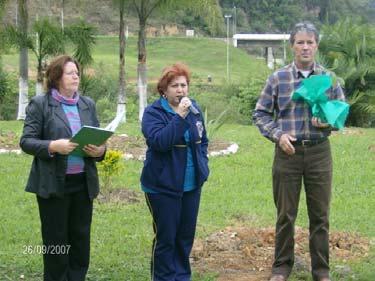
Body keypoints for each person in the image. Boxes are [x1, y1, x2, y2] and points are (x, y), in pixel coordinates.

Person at [253, 22, 345, 281]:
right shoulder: (278, 78)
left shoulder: (328, 79)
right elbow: (260, 113)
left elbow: (340, 114)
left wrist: (328, 120)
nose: (305, 47)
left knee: (320, 215)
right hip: (288, 154)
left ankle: (321, 271)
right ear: (292, 45)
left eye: (310, 42)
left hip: (319, 153)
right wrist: (277, 135)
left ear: (317, 45)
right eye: (300, 42)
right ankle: (281, 268)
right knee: (285, 214)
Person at [20, 55, 106, 281]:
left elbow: (98, 140)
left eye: (77, 72)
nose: (76, 76)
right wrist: (53, 146)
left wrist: (100, 151)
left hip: (82, 184)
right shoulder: (40, 104)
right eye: (70, 73)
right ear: (57, 77)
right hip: (53, 184)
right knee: (56, 242)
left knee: (80, 240)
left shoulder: (87, 104)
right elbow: (26, 141)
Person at [140, 63, 209, 281]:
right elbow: (160, 142)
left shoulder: (194, 109)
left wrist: (203, 164)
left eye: (184, 85)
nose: (181, 90)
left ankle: (181, 277)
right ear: (164, 89)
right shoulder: (153, 113)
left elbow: (203, 139)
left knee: (184, 237)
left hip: (191, 185)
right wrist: (178, 116)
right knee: (166, 238)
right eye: (175, 86)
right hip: (162, 186)